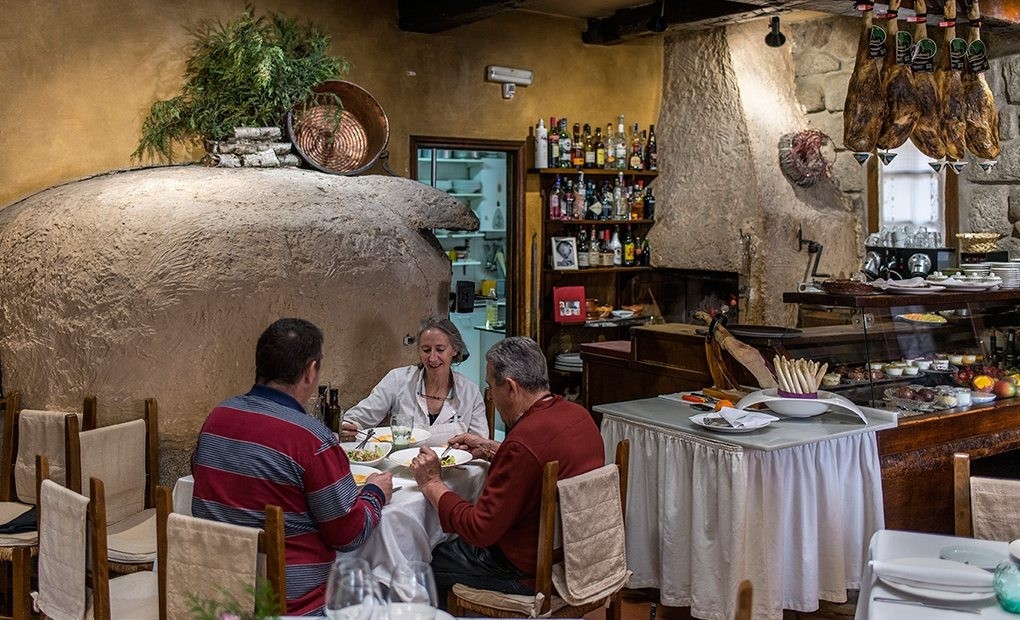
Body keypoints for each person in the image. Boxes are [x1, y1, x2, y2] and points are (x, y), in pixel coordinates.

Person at [191, 318, 393, 615]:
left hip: (221, 593)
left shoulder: (217, 417)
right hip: (293, 602)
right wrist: (375, 492)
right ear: (311, 370)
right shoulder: (311, 438)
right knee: (388, 592)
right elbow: (348, 534)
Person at [407, 336, 604, 606]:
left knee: (424, 558)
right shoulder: (578, 415)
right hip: (579, 556)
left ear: (510, 387)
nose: (490, 396)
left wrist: (432, 484)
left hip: (527, 571)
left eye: (490, 387)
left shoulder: (523, 441)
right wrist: (491, 448)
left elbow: (479, 530)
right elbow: (539, 464)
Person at [342, 316, 488, 445]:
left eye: (440, 349)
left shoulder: (470, 392)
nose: (432, 358)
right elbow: (361, 416)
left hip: (454, 472)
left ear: (455, 350)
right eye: (426, 350)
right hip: (403, 471)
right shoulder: (398, 379)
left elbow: (480, 444)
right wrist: (347, 425)